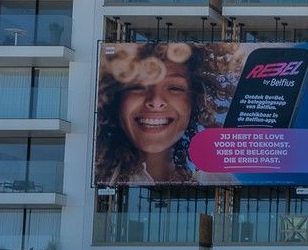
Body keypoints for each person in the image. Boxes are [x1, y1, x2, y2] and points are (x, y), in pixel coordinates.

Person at [95, 42, 229, 185]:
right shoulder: (93, 174)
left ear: (195, 101)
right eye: (137, 86)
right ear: (114, 97)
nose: (156, 101)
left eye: (174, 88)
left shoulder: (217, 180)